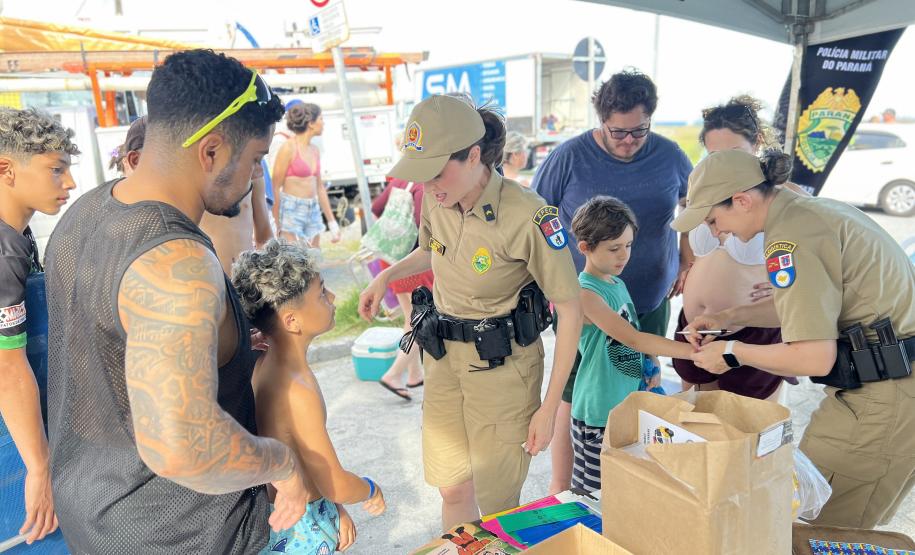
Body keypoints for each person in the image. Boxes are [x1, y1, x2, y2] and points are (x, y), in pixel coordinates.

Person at [44, 49, 312, 553]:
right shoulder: (177, 264)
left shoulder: (87, 210)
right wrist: (283, 463)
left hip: (93, 515)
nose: (256, 175)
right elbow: (185, 448)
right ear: (210, 152)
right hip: (185, 533)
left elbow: (110, 342)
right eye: (255, 159)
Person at [358, 95, 582, 529]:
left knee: (498, 505)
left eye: (438, 171)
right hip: (443, 362)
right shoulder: (437, 200)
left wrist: (550, 407)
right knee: (452, 485)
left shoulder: (528, 216)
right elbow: (429, 251)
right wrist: (384, 277)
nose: (430, 185)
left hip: (502, 372)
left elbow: (570, 311)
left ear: (474, 155)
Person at [676, 148, 915, 530]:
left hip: (881, 399)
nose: (716, 232)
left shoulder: (790, 238)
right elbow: (810, 311)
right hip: (887, 386)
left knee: (815, 524)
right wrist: (729, 317)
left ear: (742, 199)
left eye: (714, 219)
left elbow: (813, 356)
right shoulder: (814, 212)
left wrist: (733, 354)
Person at [532, 69, 692, 494]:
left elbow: (692, 207)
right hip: (580, 302)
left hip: (648, 299)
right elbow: (535, 217)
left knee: (639, 382)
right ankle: (563, 487)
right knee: (577, 392)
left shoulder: (671, 154)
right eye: (618, 131)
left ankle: (634, 478)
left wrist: (688, 258)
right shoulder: (568, 157)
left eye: (638, 131)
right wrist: (546, 278)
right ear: (600, 120)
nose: (628, 140)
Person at [232, 240, 386, 554]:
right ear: (292, 321)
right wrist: (370, 489)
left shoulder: (263, 365)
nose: (331, 298)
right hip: (303, 528)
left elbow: (304, 457)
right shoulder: (298, 389)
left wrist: (335, 509)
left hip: (289, 515)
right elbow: (335, 482)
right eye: (322, 292)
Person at [673, 97, 798, 401]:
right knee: (694, 429)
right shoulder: (703, 187)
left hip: (752, 329)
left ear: (756, 144)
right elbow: (690, 245)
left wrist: (784, 291)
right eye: (713, 155)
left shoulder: (785, 198)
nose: (722, 165)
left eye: (733, 153)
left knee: (751, 434)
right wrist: (683, 267)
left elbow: (811, 264)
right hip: (696, 327)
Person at [568, 196, 693, 492]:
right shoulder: (585, 294)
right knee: (595, 494)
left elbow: (634, 327)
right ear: (585, 247)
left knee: (619, 489)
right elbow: (631, 337)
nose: (623, 255)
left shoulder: (617, 283)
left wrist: (652, 362)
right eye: (614, 248)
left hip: (623, 405)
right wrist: (692, 352)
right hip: (598, 413)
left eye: (628, 245)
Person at [0, 107, 78, 545]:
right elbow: (7, 367)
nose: (69, 183)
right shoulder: (3, 249)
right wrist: (39, 467)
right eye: (56, 170)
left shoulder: (19, 235)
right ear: (6, 170)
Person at [114, 116, 274, 275]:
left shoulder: (247, 168)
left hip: (248, 284)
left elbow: (264, 234)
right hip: (204, 285)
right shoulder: (171, 193)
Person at [371, 177, 432, 400]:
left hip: (392, 256)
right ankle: (394, 374)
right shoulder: (422, 185)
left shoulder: (399, 180)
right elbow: (422, 223)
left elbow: (376, 207)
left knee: (410, 317)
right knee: (419, 321)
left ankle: (415, 373)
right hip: (413, 261)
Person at [271, 102, 340, 248]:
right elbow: (275, 187)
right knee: (297, 261)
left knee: (314, 259)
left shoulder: (314, 150)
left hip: (312, 208)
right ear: (311, 123)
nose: (323, 123)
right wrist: (275, 223)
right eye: (321, 119)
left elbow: (320, 187)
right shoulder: (288, 148)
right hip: (291, 209)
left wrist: (332, 222)